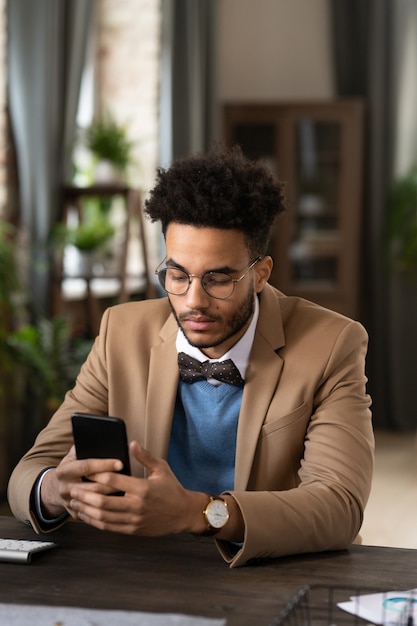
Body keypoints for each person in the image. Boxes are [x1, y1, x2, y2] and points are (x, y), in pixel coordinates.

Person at [7, 145, 374, 568]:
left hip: (271, 570)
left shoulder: (333, 344)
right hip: (144, 570)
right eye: (177, 276)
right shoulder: (121, 332)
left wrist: (200, 514)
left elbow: (339, 507)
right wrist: (55, 490)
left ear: (260, 273)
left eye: (218, 279)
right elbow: (29, 472)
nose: (193, 301)